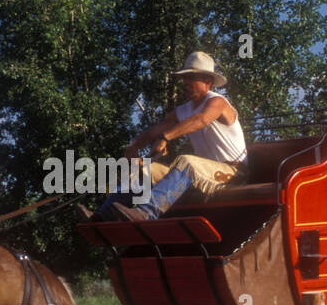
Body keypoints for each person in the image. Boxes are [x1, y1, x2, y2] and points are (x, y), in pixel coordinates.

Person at [93, 51, 247, 222]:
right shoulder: (183, 110)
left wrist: (165, 138)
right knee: (146, 170)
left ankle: (145, 213)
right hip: (201, 174)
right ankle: (102, 217)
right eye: (184, 78)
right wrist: (134, 146)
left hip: (232, 173)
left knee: (186, 162)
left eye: (191, 77)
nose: (185, 82)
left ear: (208, 81)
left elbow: (201, 119)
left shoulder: (217, 102)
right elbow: (158, 128)